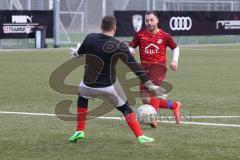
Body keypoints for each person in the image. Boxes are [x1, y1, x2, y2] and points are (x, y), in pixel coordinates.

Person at [69, 15, 167, 144]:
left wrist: (75, 53)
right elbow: (135, 67)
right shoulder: (119, 45)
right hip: (107, 87)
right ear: (115, 28)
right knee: (125, 108)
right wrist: (150, 85)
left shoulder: (90, 37)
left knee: (82, 97)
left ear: (101, 27)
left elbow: (79, 54)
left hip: (87, 85)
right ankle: (140, 136)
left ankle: (79, 131)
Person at [129, 11, 182, 127]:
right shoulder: (140, 35)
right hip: (144, 70)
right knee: (144, 98)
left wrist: (175, 60)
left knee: (153, 91)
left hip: (159, 67)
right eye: (147, 20)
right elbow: (131, 47)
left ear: (157, 20)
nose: (149, 22)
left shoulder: (164, 35)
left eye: (151, 20)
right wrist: (131, 52)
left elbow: (175, 48)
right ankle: (174, 106)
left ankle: (153, 119)